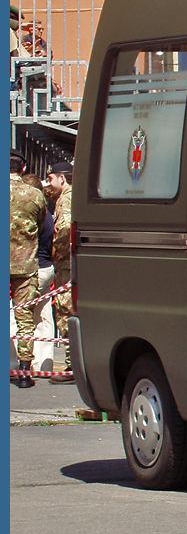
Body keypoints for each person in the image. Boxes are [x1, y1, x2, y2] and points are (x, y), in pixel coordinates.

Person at [10, 149, 47, 389]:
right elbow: (42, 225)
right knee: (24, 319)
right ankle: (24, 371)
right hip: (24, 265)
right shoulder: (34, 195)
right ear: (23, 169)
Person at [45, 160, 75, 383]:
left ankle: (71, 364)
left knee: (65, 312)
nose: (49, 183)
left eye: (51, 179)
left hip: (67, 266)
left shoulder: (65, 199)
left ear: (62, 179)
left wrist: (57, 255)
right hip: (74, 265)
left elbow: (64, 232)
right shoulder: (73, 196)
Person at [23, 172, 56, 373]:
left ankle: (15, 362)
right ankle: (44, 363)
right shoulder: (48, 215)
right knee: (44, 315)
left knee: (20, 313)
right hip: (46, 268)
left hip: (30, 269)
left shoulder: (28, 215)